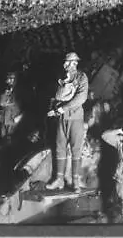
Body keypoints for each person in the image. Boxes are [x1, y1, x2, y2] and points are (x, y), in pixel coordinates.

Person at [46, 52, 89, 193]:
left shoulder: (82, 77)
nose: (65, 64)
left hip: (75, 117)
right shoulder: (61, 78)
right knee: (59, 147)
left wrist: (62, 109)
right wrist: (53, 109)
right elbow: (56, 96)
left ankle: (75, 181)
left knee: (76, 149)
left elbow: (81, 98)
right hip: (61, 118)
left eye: (68, 62)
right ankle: (59, 180)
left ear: (74, 63)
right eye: (65, 62)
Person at [0, 72, 23, 143]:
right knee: (3, 140)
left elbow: (27, 106)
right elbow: (1, 103)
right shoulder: (5, 90)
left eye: (12, 78)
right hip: (4, 120)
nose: (10, 80)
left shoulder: (20, 91)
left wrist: (20, 117)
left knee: (14, 140)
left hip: (14, 120)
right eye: (9, 78)